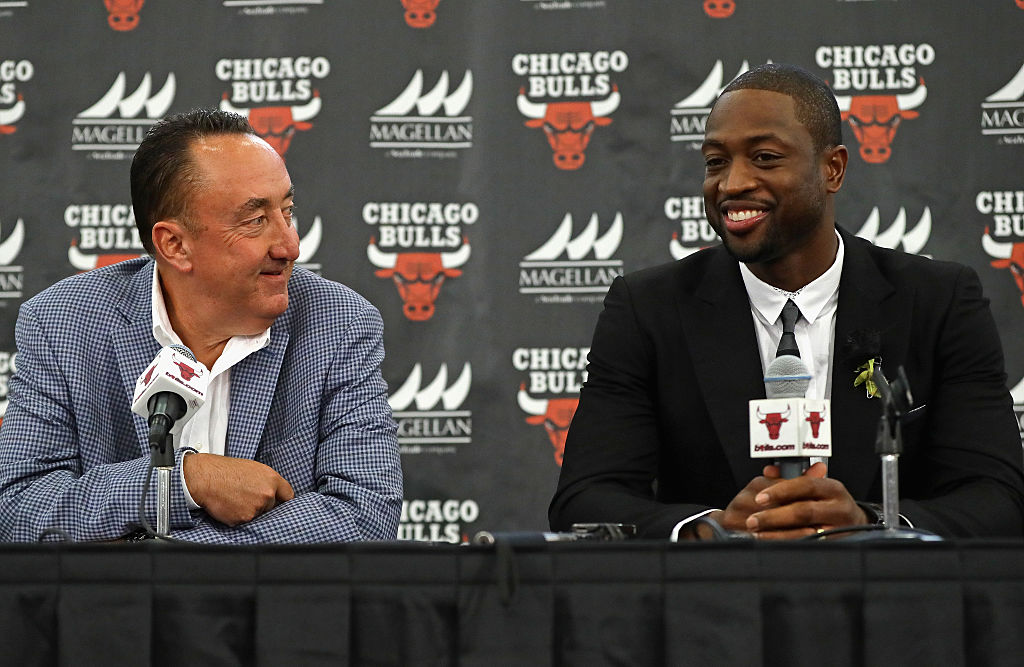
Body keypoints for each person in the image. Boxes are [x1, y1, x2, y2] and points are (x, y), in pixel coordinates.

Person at [550, 63, 1024, 540]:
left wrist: (870, 524)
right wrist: (706, 530)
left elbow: (998, 497)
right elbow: (584, 498)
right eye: (716, 162)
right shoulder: (647, 309)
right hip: (716, 608)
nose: (732, 184)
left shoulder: (939, 301)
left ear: (832, 168)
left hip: (886, 608)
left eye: (765, 157)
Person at [0, 109, 403, 543]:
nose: (290, 245)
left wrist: (164, 557)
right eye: (255, 221)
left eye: (287, 211)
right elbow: (20, 509)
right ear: (174, 245)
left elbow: (365, 515)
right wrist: (185, 481)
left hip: (271, 612)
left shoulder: (338, 323)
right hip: (118, 613)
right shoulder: (65, 323)